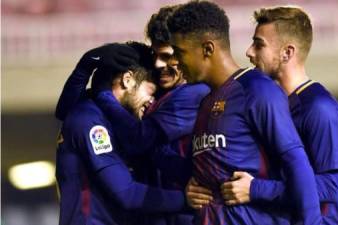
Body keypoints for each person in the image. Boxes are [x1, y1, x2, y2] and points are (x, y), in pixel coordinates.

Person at [167, 1, 321, 225]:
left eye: (180, 52)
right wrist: (191, 184)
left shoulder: (256, 90)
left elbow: (296, 163)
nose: (176, 62)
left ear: (208, 49)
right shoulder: (205, 102)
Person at [56, 42, 186, 225]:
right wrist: (189, 199)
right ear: (128, 79)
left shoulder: (119, 121)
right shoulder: (89, 120)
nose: (152, 102)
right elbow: (127, 194)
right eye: (151, 92)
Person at [242, 6, 338, 225]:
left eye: (259, 44)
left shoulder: (321, 108)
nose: (249, 52)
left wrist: (255, 189)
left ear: (287, 53)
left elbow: (331, 186)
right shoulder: (273, 104)